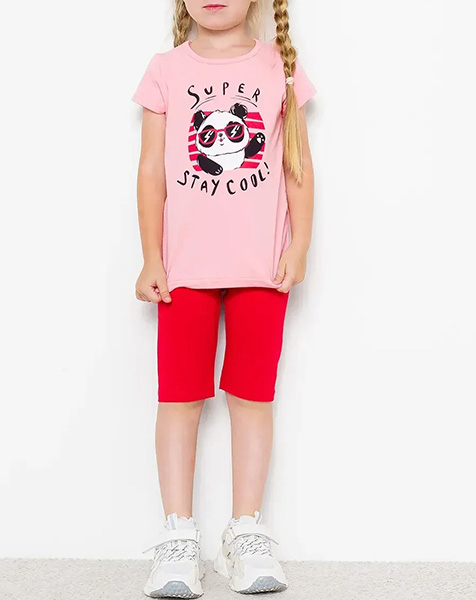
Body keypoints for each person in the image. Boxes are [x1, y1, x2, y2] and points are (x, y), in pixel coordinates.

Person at [131, 0, 316, 596]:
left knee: (252, 397)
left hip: (262, 269)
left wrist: (300, 245)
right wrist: (152, 257)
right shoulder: (166, 69)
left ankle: (246, 530)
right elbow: (152, 172)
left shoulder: (279, 66)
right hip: (183, 272)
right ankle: (178, 535)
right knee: (179, 398)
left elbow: (296, 164)